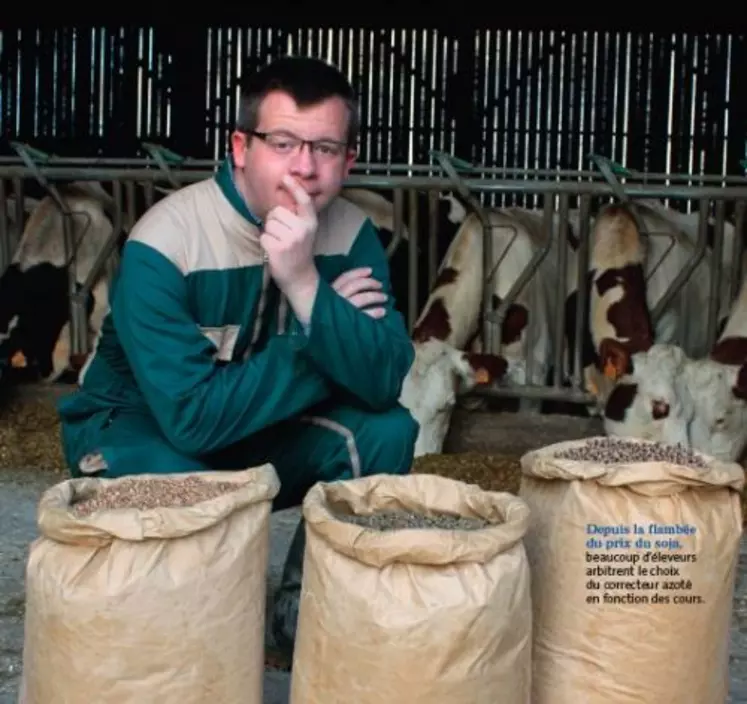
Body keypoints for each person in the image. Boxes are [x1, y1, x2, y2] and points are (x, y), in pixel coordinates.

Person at [56, 55, 419, 659]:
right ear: (240, 147)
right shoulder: (166, 241)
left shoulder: (352, 236)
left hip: (263, 426)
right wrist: (319, 333)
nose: (304, 167)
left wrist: (304, 285)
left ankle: (303, 615)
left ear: (349, 160)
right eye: (282, 142)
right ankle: (199, 637)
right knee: (186, 494)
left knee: (386, 430)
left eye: (325, 148)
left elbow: (382, 380)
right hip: (142, 433)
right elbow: (192, 419)